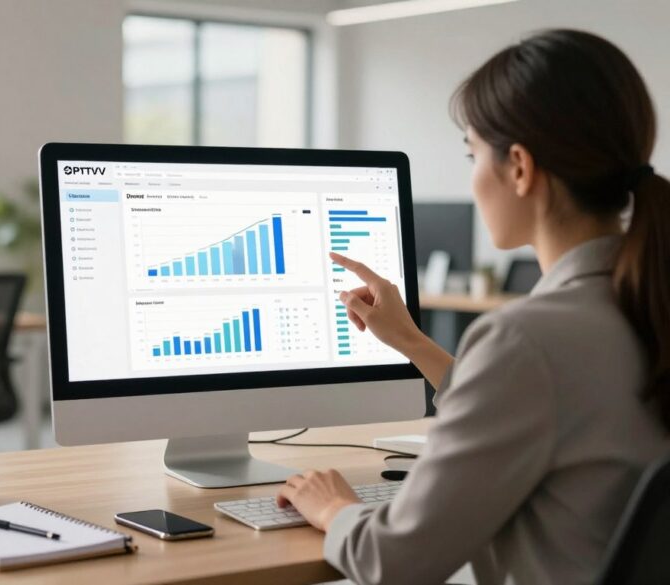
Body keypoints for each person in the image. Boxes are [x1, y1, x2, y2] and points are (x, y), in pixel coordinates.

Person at [276, 29, 670, 585]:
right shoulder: (638, 305)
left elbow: (394, 562)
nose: (472, 174)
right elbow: (540, 405)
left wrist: (334, 509)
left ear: (519, 167)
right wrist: (411, 341)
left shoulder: (529, 340)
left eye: (472, 154)